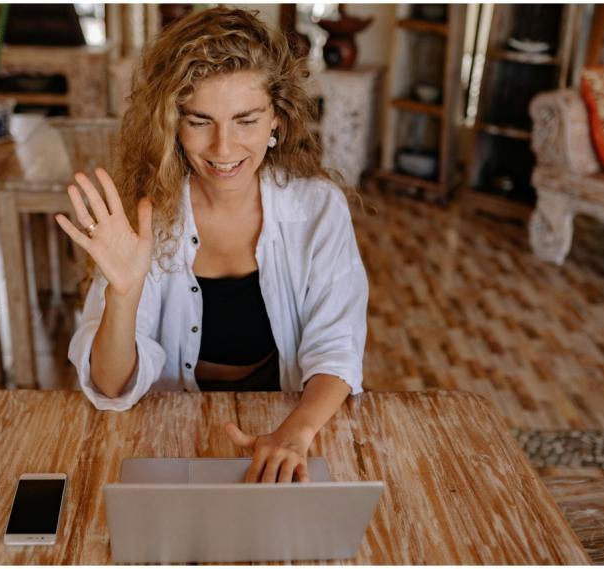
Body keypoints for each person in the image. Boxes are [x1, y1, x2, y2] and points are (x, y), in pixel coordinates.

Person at [56, 7, 369, 484]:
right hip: (165, 436)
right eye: (200, 121)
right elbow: (110, 385)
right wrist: (123, 294)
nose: (223, 148)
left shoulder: (318, 209)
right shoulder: (146, 215)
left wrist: (294, 434)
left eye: (246, 120)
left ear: (277, 121)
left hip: (289, 423)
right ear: (173, 126)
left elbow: (337, 348)